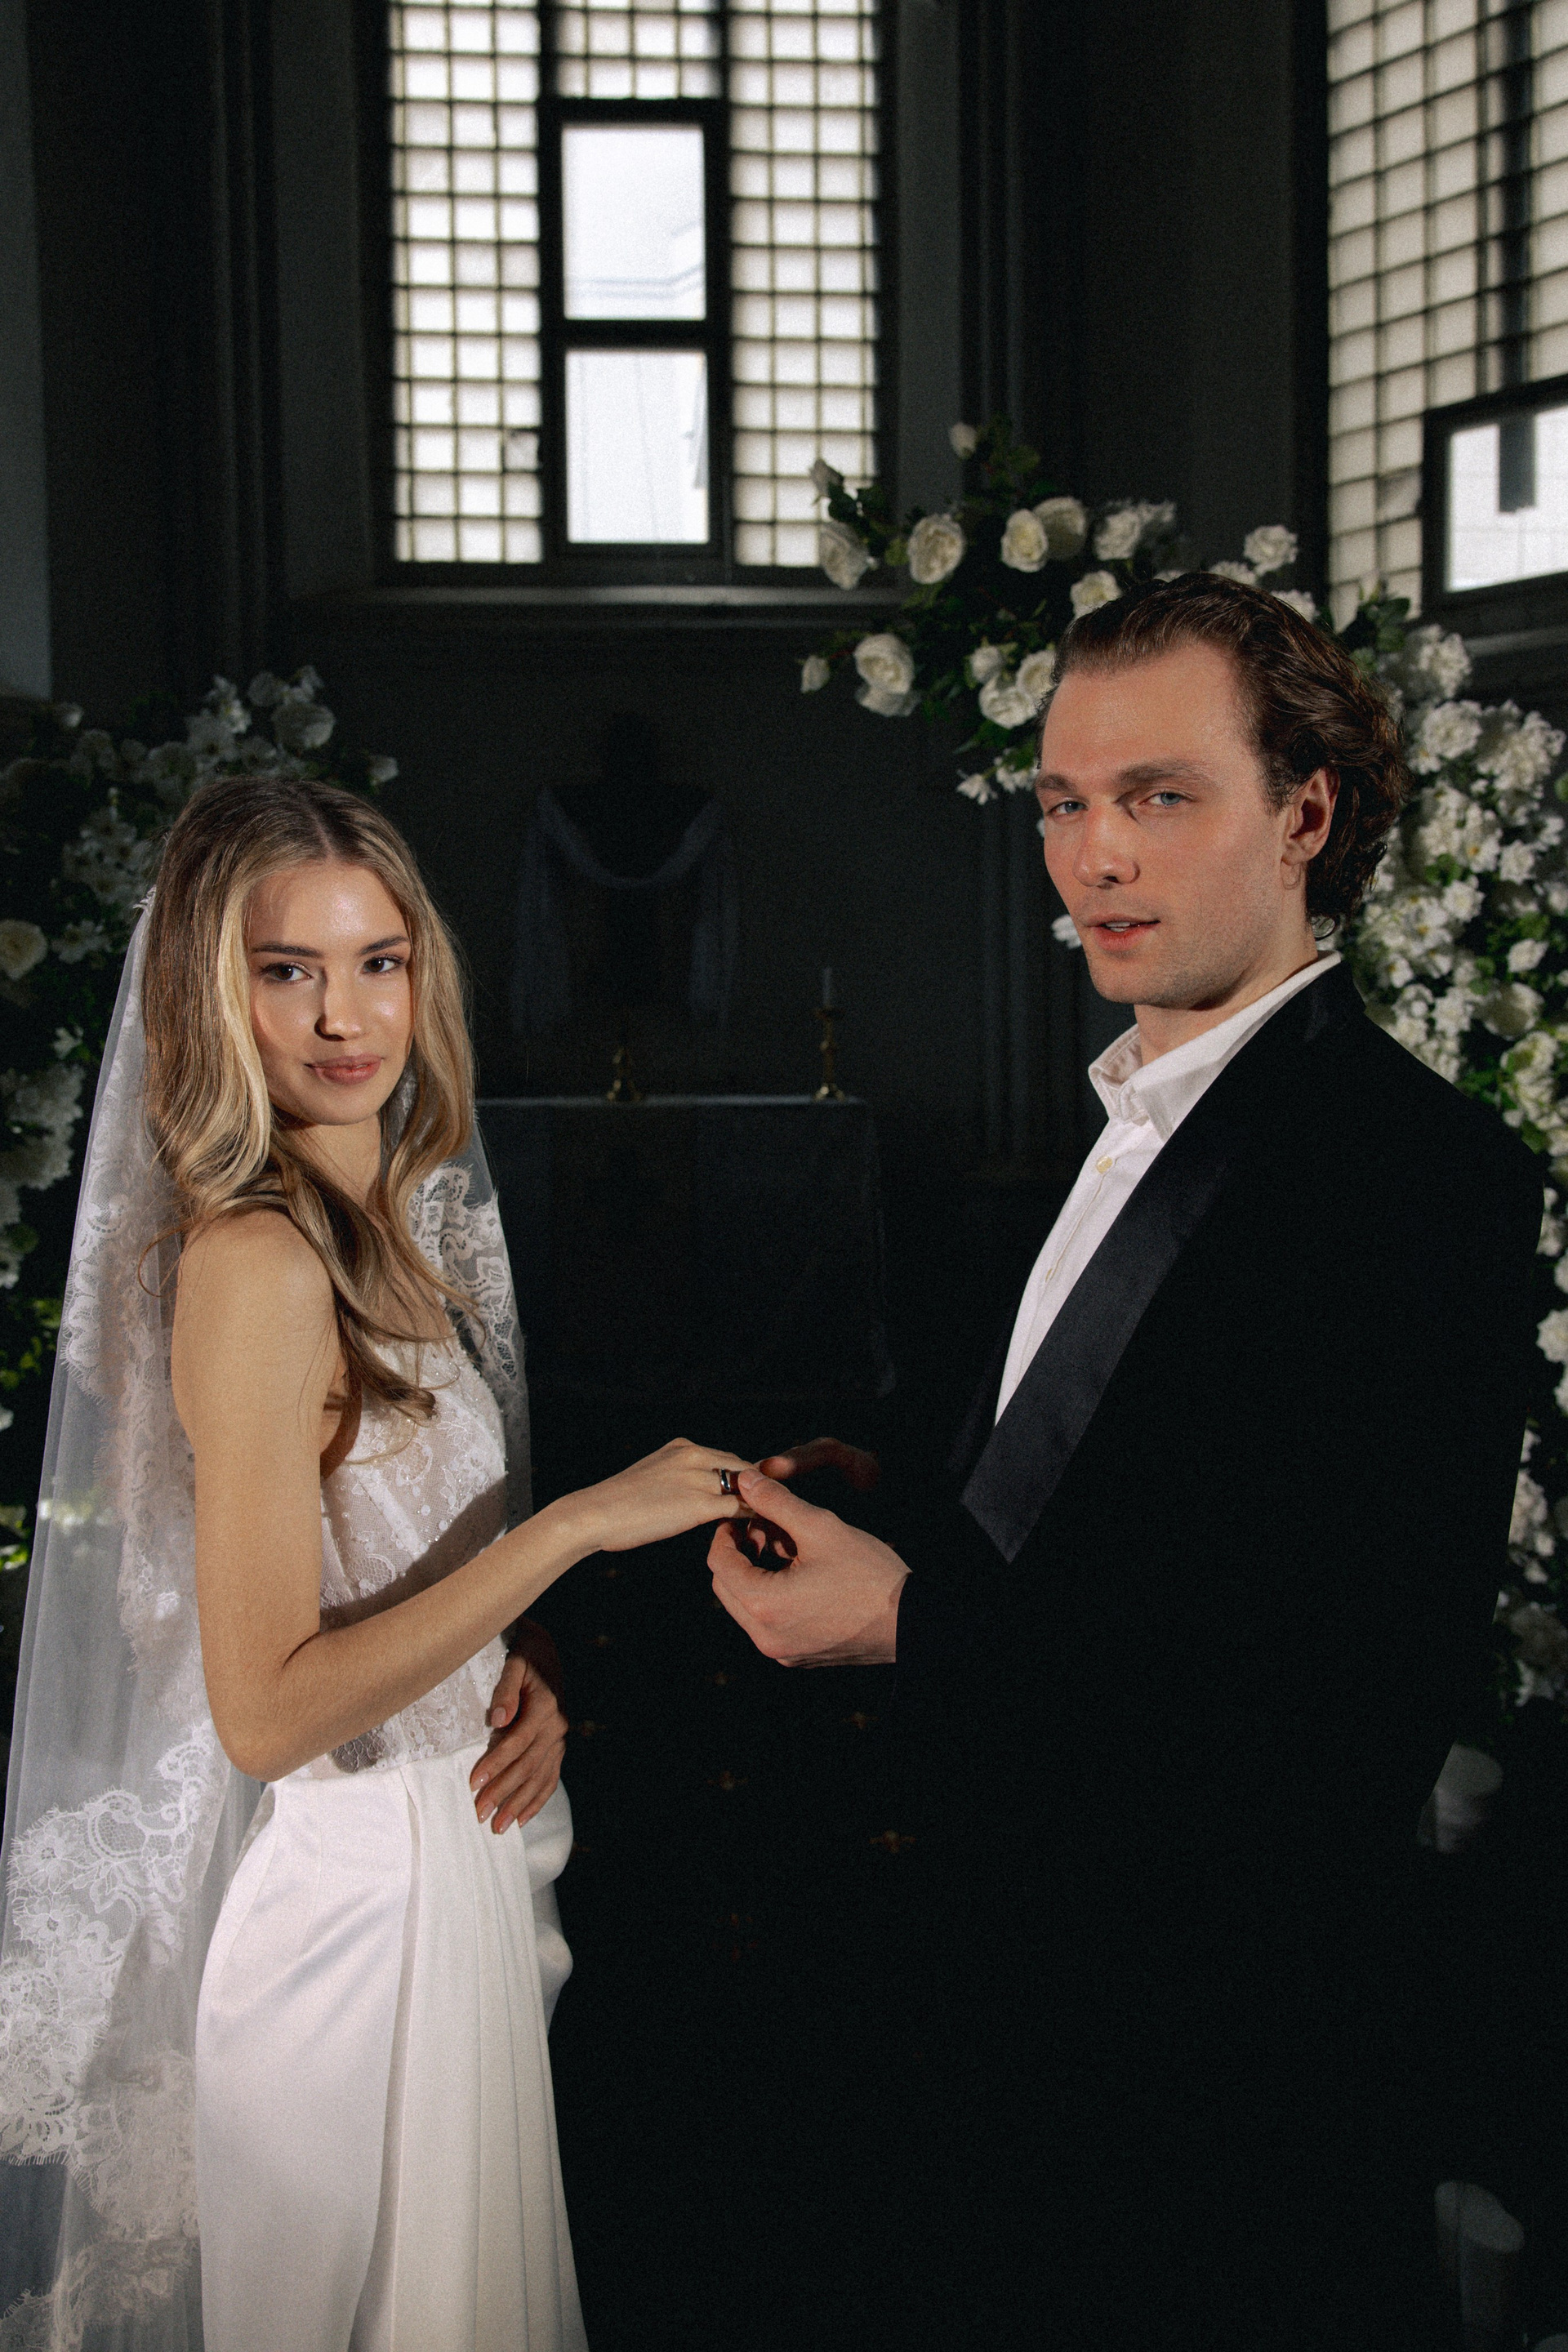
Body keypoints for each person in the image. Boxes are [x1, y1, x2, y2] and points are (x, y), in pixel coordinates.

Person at [708, 575, 1544, 2350]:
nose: (1096, 855)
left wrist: (910, 1624)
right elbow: (1135, 1506)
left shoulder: (1420, 1181)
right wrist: (912, 1495)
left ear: (1305, 814)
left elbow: (1342, 1721)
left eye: (1160, 796)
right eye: (1065, 803)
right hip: (989, 2029)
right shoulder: (1120, 1126)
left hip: (1211, 2086)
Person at [0, 774, 751, 2352]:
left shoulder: (392, 1230)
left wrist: (521, 1669)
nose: (346, 1017)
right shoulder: (257, 1264)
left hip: (447, 1869)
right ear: (214, 996)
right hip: (356, 1921)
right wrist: (570, 1529)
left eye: (380, 962)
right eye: (288, 971)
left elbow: (392, 1568)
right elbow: (266, 1712)